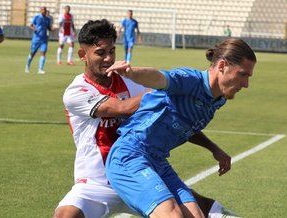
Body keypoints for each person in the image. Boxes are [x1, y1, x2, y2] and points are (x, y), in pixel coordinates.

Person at [54, 19, 241, 218]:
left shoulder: (130, 82)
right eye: (100, 53)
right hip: (97, 182)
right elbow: (121, 108)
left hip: (140, 169)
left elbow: (174, 119)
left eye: (112, 51)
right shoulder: (77, 91)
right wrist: (168, 91)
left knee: (196, 209)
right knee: (65, 215)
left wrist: (213, 148)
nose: (108, 58)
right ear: (83, 55)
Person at [105, 38, 256, 217]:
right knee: (172, 215)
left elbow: (186, 125)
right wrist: (132, 72)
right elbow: (158, 78)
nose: (246, 84)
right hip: (130, 155)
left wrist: (213, 148)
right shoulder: (191, 80)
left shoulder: (218, 99)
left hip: (158, 161)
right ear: (222, 65)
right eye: (243, 74)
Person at [25, 6, 53, 74]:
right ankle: (27, 66)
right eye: (42, 9)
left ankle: (40, 69)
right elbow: (31, 25)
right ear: (40, 10)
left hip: (44, 39)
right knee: (32, 53)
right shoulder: (36, 17)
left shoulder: (48, 19)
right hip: (36, 38)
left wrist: (52, 29)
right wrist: (34, 29)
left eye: (45, 9)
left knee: (43, 53)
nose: (44, 11)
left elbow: (49, 28)